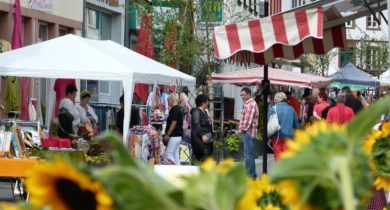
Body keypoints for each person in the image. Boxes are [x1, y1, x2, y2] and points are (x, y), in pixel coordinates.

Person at [268, 92, 299, 161]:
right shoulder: (291, 109)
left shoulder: (273, 109)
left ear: (277, 99)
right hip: (289, 137)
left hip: (276, 136)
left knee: (278, 157)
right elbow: (296, 125)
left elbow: (268, 123)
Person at [239, 87, 259, 178]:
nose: (242, 97)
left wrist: (242, 129)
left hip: (248, 132)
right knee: (248, 155)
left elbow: (248, 121)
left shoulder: (251, 104)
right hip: (248, 132)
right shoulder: (249, 104)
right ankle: (252, 174)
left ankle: (250, 175)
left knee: (248, 156)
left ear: (248, 94)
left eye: (243, 95)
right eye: (241, 95)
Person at [190, 94, 213, 162]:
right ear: (203, 102)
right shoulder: (196, 111)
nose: (208, 103)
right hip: (199, 138)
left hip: (207, 137)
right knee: (202, 155)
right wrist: (202, 135)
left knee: (207, 155)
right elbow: (196, 125)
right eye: (207, 101)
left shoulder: (205, 112)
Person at [163, 93, 184, 165]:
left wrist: (168, 134)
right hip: (178, 136)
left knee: (169, 154)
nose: (168, 103)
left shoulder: (174, 109)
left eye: (168, 101)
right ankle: (178, 171)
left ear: (172, 100)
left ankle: (172, 170)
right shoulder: (179, 108)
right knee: (176, 155)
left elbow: (174, 122)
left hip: (174, 135)